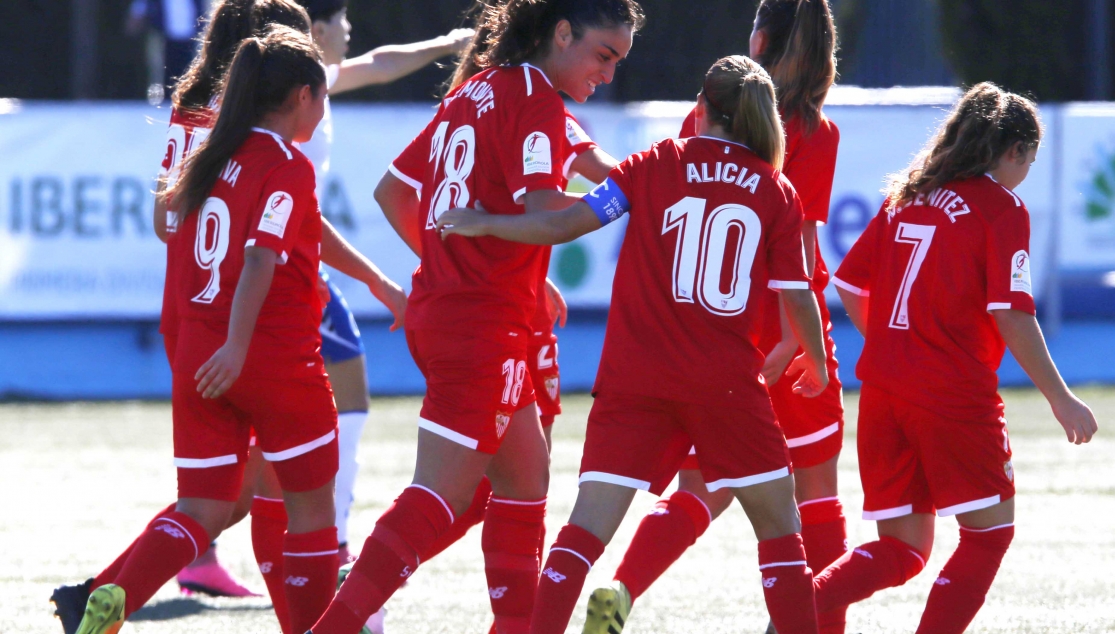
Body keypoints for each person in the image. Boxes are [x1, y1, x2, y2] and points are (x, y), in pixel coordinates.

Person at [438, 54, 830, 634]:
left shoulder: (654, 165)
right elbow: (797, 295)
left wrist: (485, 221)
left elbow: (563, 223)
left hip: (635, 378)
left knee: (583, 531)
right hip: (724, 383)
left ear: (700, 109)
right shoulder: (776, 189)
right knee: (780, 531)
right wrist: (816, 361)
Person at [307, 2, 644, 633]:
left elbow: (391, 191)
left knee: (524, 477)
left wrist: (463, 260)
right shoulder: (535, 97)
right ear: (562, 33)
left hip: (460, 311)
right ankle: (337, 621)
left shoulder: (475, 89)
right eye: (604, 55)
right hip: (479, 324)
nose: (608, 74)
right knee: (440, 495)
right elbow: (552, 211)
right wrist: (635, 191)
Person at [65, 25, 343, 634]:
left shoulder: (209, 157)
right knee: (311, 513)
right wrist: (242, 347)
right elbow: (261, 258)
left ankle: (115, 596)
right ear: (300, 96)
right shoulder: (288, 165)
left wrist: (218, 347)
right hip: (272, 360)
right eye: (323, 98)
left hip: (198, 353)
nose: (324, 113)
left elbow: (183, 247)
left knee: (201, 507)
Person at [591, 2, 847, 632]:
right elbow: (804, 251)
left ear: (758, 36)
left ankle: (622, 589)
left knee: (702, 487)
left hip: (718, 338)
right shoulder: (817, 132)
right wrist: (797, 347)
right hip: (785, 335)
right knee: (814, 508)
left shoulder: (702, 113)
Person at [820, 82, 1098, 633]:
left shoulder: (909, 195)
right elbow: (1012, 314)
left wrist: (895, 346)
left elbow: (849, 282)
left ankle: (794, 607)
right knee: (988, 534)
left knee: (903, 552)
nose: (1027, 171)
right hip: (951, 395)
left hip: (882, 389)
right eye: (1029, 159)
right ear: (1014, 151)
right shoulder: (1001, 208)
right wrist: (1062, 399)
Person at [293, 0, 473, 567]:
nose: (350, 32)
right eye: (342, 22)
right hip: (291, 268)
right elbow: (294, 211)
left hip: (297, 265)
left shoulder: (303, 82)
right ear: (317, 30)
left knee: (323, 407)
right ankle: (329, 543)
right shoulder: (291, 92)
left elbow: (379, 63)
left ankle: (317, 541)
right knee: (303, 422)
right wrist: (376, 279)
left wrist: (447, 42)